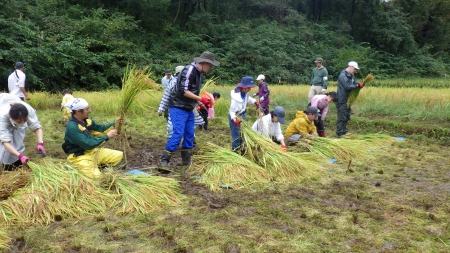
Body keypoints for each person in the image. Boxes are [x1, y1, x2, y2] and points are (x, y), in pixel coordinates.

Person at [160, 52, 220, 169]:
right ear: (204, 63)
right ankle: (164, 161)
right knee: (178, 133)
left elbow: (194, 92)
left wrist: (200, 103)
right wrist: (200, 98)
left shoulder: (199, 73)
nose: (210, 68)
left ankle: (186, 161)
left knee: (189, 134)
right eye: (210, 65)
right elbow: (184, 91)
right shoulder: (189, 70)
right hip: (178, 106)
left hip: (188, 107)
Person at [62, 98, 123, 178]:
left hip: (93, 152)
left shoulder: (86, 121)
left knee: (118, 156)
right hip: (80, 157)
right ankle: (86, 169)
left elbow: (100, 129)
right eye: (87, 109)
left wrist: (115, 123)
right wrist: (107, 136)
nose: (89, 111)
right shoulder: (72, 127)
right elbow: (88, 144)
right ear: (78, 111)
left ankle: (97, 166)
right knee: (97, 178)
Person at [0, 93, 44, 170]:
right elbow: (5, 141)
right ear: (10, 117)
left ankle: (17, 161)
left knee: (18, 139)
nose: (22, 122)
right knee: (3, 147)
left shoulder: (27, 109)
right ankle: (5, 164)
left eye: (25, 120)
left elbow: (37, 127)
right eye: (19, 121)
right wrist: (20, 156)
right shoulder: (2, 116)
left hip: (15, 111)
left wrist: (40, 142)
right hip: (3, 109)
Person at [229, 76, 260, 151]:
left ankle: (242, 149)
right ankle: (235, 150)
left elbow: (248, 99)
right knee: (236, 134)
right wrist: (234, 120)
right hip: (235, 116)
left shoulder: (246, 93)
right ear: (244, 87)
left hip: (242, 114)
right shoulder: (235, 97)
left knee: (244, 133)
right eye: (249, 87)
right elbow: (231, 111)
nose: (250, 89)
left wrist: (254, 102)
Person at [336, 61, 364, 138]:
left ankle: (344, 131)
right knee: (341, 117)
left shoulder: (352, 76)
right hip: (342, 99)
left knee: (347, 116)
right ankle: (340, 133)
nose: (355, 71)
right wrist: (357, 85)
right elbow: (347, 86)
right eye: (355, 69)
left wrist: (359, 85)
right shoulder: (342, 75)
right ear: (350, 67)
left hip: (348, 100)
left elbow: (354, 84)